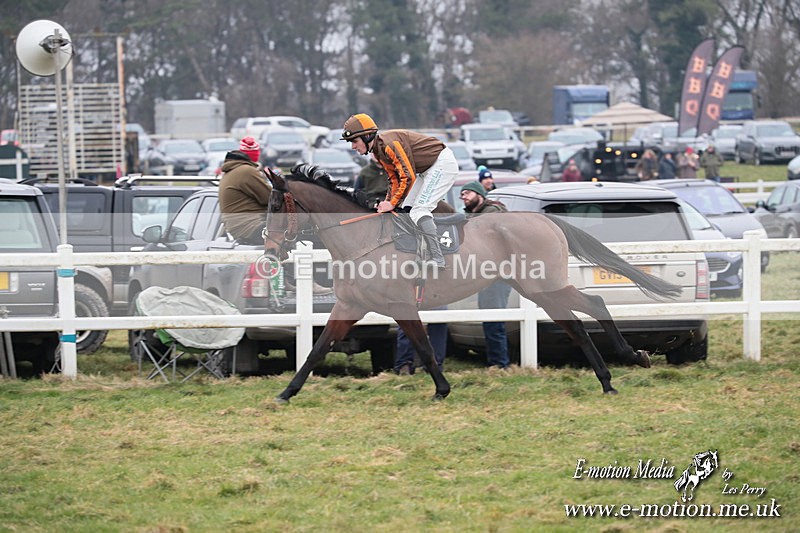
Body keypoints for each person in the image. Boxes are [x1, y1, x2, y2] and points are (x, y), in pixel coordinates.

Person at [341, 113, 458, 268]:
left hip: (442, 164)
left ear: (368, 136)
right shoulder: (378, 150)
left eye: (354, 141)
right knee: (404, 208)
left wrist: (391, 203)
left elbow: (408, 177)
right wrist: (388, 202)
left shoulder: (389, 145)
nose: (353, 146)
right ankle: (422, 251)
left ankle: (438, 258)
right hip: (427, 169)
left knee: (419, 210)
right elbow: (394, 179)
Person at [460, 181, 512, 368]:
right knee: (490, 319)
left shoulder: (493, 213)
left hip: (498, 275)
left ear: (479, 194)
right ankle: (496, 362)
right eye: (461, 195)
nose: (463, 197)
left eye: (466, 193)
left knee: (494, 321)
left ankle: (499, 364)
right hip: (486, 275)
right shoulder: (473, 214)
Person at [218, 136, 272, 244]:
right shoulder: (247, 171)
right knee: (302, 234)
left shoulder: (233, 171)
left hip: (239, 226)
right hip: (251, 226)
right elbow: (270, 198)